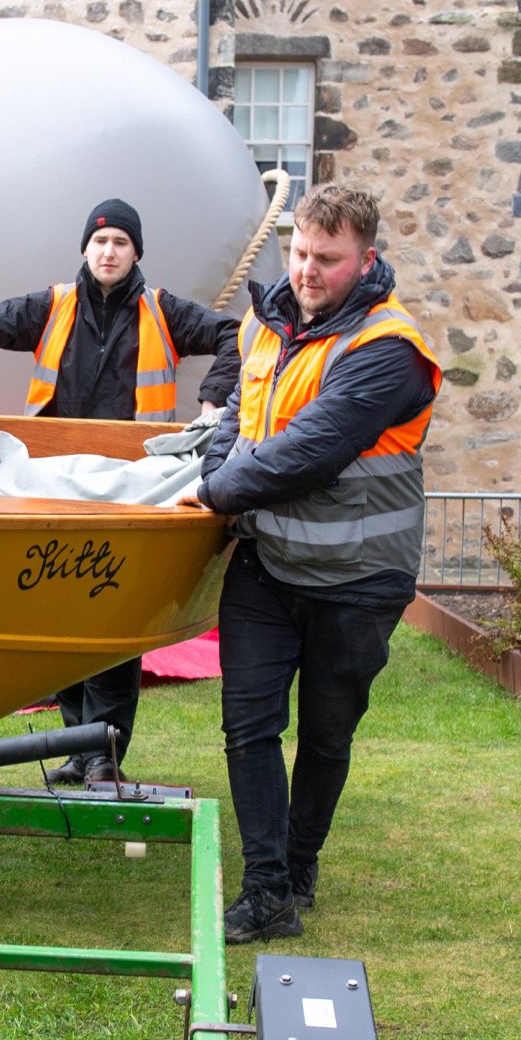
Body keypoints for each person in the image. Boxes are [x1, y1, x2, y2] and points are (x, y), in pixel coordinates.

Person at [185, 184, 442, 944]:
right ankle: (265, 892)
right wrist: (212, 465)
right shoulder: (264, 326)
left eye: (327, 260)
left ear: (366, 260)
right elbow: (237, 419)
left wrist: (213, 495)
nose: (307, 271)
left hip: (359, 584)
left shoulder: (388, 349)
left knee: (327, 736)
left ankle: (299, 866)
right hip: (267, 566)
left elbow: (311, 449)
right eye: (299, 253)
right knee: (248, 729)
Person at [0, 197, 241, 782]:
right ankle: (79, 753)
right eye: (100, 241)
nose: (109, 252)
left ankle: (103, 758)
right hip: (52, 484)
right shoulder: (52, 306)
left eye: (121, 243)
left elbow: (237, 338)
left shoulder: (163, 312)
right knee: (54, 617)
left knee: (111, 623)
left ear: (136, 254)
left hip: (129, 488)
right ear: (85, 248)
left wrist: (213, 398)